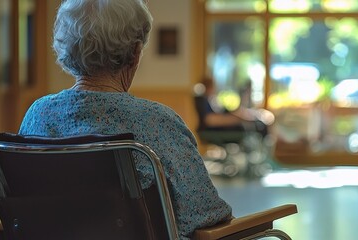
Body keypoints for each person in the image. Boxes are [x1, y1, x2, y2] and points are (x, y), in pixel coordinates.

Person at [18, 0, 232, 238]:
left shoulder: (38, 116)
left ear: (65, 47)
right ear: (135, 53)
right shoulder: (159, 123)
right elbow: (208, 217)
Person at [193, 77, 271, 138]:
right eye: (213, 86)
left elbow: (223, 112)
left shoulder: (212, 100)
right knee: (254, 128)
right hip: (213, 130)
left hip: (224, 126)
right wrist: (236, 119)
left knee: (259, 124)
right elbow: (210, 120)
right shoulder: (202, 101)